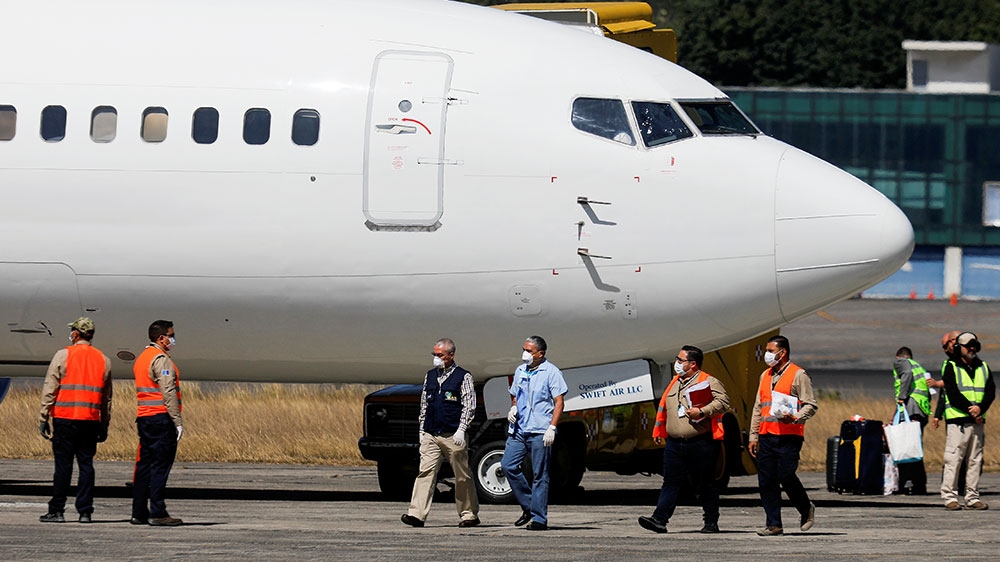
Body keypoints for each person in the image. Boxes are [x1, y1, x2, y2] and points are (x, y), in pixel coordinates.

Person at [638, 345, 729, 534]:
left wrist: (702, 411)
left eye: (681, 360)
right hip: (674, 443)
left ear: (693, 364)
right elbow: (665, 409)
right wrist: (659, 431)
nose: (677, 363)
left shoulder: (708, 381)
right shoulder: (675, 382)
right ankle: (659, 519)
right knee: (671, 481)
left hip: (700, 442)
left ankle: (711, 521)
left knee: (705, 483)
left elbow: (723, 402)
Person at [38, 317, 113, 523]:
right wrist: (104, 424)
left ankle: (57, 510)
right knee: (86, 466)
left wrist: (44, 416)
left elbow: (50, 388)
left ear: (76, 334)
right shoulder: (103, 360)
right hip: (90, 420)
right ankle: (85, 512)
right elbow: (106, 398)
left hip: (65, 419)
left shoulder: (63, 355)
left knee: (63, 467)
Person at [401, 338, 480, 528]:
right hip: (431, 433)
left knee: (462, 475)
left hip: (453, 434)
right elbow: (424, 404)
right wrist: (422, 430)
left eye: (440, 355)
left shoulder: (463, 376)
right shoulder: (430, 376)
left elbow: (469, 405)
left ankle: (468, 514)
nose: (436, 358)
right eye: (434, 354)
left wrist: (462, 429)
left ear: (451, 355)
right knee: (425, 472)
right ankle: (416, 514)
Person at [748, 335, 818, 536]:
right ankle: (774, 524)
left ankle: (805, 507)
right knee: (766, 480)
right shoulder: (765, 375)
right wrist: (753, 435)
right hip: (766, 435)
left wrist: (795, 417)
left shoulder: (798, 375)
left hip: (789, 436)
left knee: (785, 475)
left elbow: (811, 405)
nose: (767, 355)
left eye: (770, 351)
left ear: (782, 352)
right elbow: (758, 407)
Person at [501, 335, 567, 531]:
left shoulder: (551, 372)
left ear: (540, 353)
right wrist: (513, 407)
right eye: (524, 349)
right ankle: (530, 505)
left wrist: (552, 427)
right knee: (508, 466)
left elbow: (559, 402)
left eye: (529, 351)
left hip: (540, 430)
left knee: (540, 475)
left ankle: (539, 518)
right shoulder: (520, 370)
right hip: (519, 429)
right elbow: (515, 394)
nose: (525, 354)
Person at [131, 320, 184, 526]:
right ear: (161, 338)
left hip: (144, 418)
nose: (173, 339)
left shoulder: (143, 358)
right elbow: (168, 391)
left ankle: (138, 512)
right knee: (160, 467)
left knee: (144, 466)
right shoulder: (161, 359)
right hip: (161, 419)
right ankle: (158, 512)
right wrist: (177, 420)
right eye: (171, 335)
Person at [940, 331, 995, 510]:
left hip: (977, 422)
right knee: (953, 459)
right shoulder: (950, 366)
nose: (972, 349)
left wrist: (981, 409)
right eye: (968, 346)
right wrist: (971, 410)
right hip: (958, 421)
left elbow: (990, 391)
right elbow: (952, 392)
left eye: (974, 346)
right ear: (958, 348)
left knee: (975, 460)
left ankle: (972, 497)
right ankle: (950, 497)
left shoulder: (983, 366)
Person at [892, 346, 931, 494]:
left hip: (911, 409)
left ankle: (907, 483)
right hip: (921, 411)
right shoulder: (918, 367)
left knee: (906, 449)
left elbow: (906, 374)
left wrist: (901, 396)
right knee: (915, 448)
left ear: (899, 357)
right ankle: (919, 485)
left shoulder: (902, 362)